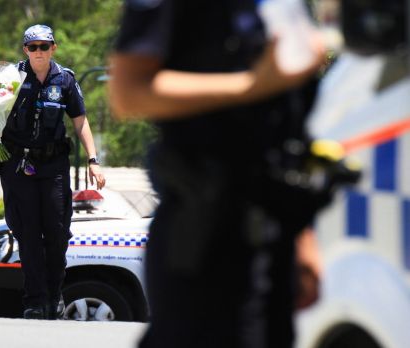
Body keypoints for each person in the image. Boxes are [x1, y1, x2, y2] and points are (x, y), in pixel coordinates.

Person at [108, 1, 326, 347]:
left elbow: (286, 120)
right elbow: (128, 92)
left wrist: (303, 236)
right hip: (206, 235)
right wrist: (251, 85)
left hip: (277, 228)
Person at [0, 24, 106, 320]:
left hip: (53, 167)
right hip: (17, 164)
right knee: (27, 235)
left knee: (57, 234)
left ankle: (54, 295)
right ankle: (34, 301)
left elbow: (80, 121)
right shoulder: (10, 78)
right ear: (25, 50)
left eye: (44, 46)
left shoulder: (64, 80)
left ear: (53, 48)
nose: (38, 52)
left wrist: (93, 159)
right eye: (32, 47)